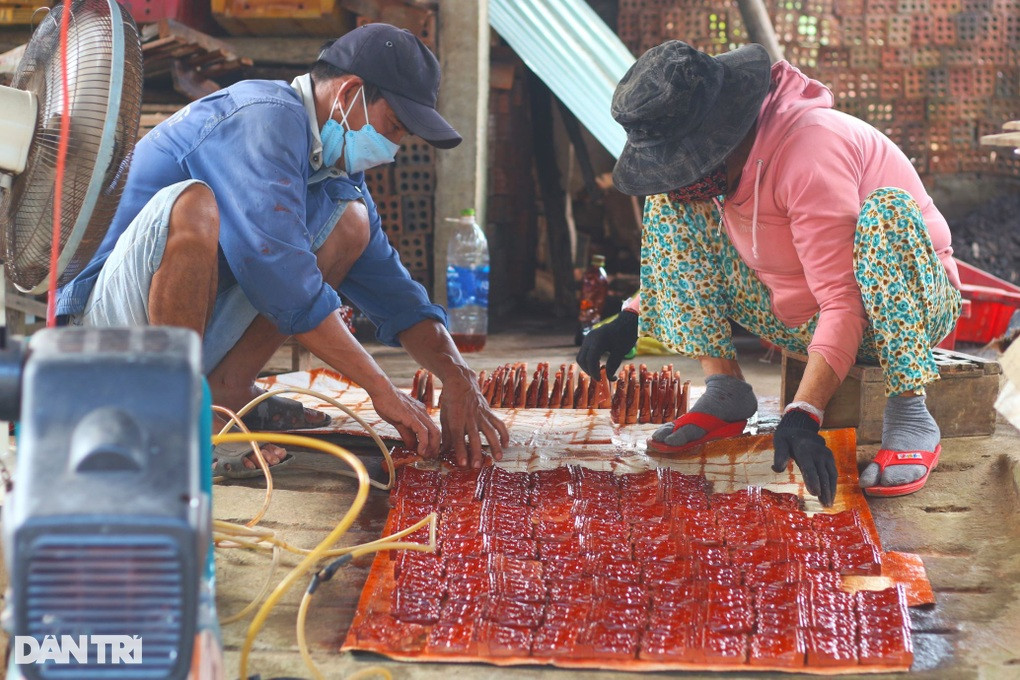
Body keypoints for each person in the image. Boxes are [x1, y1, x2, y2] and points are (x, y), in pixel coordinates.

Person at [57, 23, 508, 473]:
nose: (393, 147)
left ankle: (225, 395)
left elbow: (394, 292)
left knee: (351, 223)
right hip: (109, 336)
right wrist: (381, 389)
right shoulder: (263, 117)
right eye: (394, 127)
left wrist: (457, 374)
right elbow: (281, 277)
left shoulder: (336, 171)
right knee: (192, 207)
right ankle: (177, 423)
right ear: (350, 92)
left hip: (180, 336)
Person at [577, 41, 961, 506]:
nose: (681, 173)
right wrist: (633, 315)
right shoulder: (723, 170)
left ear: (722, 132)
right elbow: (700, 257)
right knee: (670, 204)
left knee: (886, 213)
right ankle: (726, 390)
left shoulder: (811, 147)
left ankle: (911, 413)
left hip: (906, 312)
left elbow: (843, 298)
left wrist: (803, 413)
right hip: (804, 313)